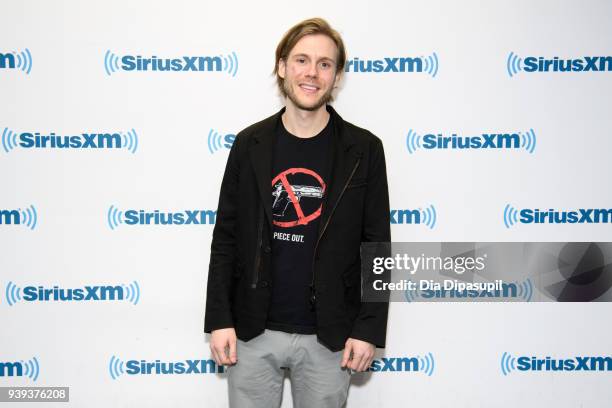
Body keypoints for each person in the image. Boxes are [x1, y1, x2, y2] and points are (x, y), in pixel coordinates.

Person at [204, 17, 391, 408]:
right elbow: (226, 237)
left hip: (330, 336)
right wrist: (220, 319)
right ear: (282, 67)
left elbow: (377, 247)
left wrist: (369, 329)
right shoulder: (249, 143)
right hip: (252, 331)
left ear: (337, 76)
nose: (312, 72)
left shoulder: (365, 149)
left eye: (325, 64)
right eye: (302, 60)